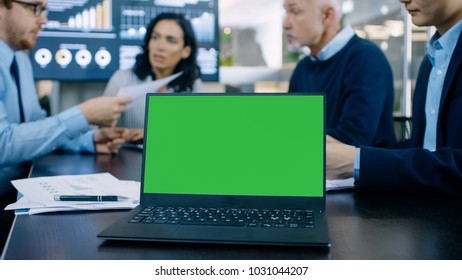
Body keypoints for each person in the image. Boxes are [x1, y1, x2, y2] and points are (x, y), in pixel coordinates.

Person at [0, 0, 132, 250]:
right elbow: (2, 143)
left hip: (22, 192)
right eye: (34, 8)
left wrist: (90, 139)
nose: (44, 19)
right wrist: (83, 115)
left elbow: (36, 123)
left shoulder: (22, 61)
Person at [326, 0, 462, 195]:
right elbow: (423, 149)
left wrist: (356, 160)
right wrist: (351, 153)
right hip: (427, 212)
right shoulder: (433, 58)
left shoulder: (364, 58)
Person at [283, 0, 395, 147]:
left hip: (364, 169)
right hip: (313, 165)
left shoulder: (365, 59)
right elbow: (291, 128)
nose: (285, 24)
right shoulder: (303, 68)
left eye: (295, 12)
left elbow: (352, 140)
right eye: (286, 12)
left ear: (327, 16)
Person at [103, 12, 202, 141]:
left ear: (185, 51)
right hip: (126, 158)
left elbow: (196, 135)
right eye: (155, 37)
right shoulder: (123, 79)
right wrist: (124, 135)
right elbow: (101, 131)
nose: (159, 47)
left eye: (170, 40)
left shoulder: (193, 86)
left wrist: (152, 135)